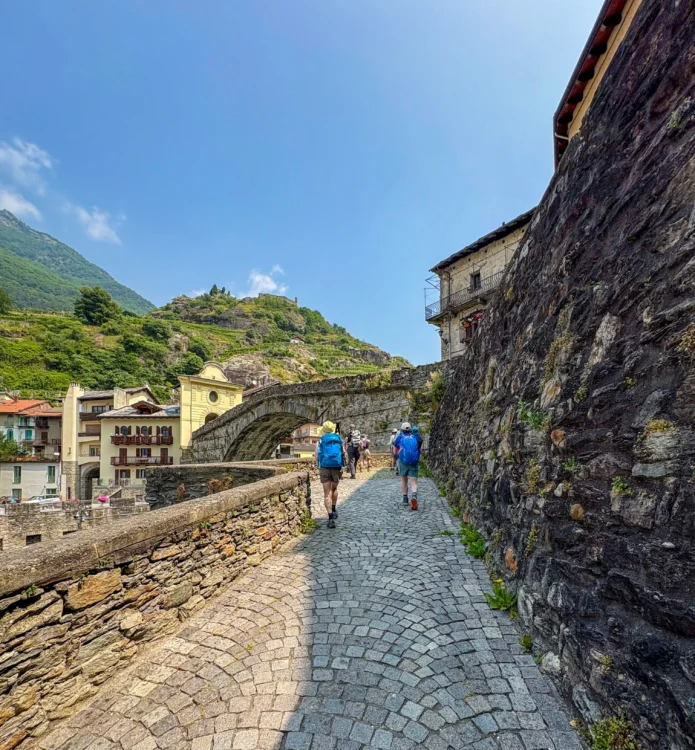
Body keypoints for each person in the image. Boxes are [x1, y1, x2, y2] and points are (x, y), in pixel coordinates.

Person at [315, 421, 346, 529]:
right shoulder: (338, 439)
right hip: (336, 466)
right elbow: (344, 453)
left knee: (327, 493)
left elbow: (316, 457)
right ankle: (334, 508)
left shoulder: (320, 440)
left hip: (324, 467)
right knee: (334, 489)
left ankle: (330, 518)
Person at [393, 422, 421, 511]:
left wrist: (397, 458)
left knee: (404, 479)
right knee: (413, 481)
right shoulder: (416, 437)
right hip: (413, 461)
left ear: (402, 429)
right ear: (410, 429)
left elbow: (395, 450)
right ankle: (414, 496)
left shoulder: (400, 437)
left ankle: (405, 499)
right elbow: (419, 449)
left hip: (403, 461)